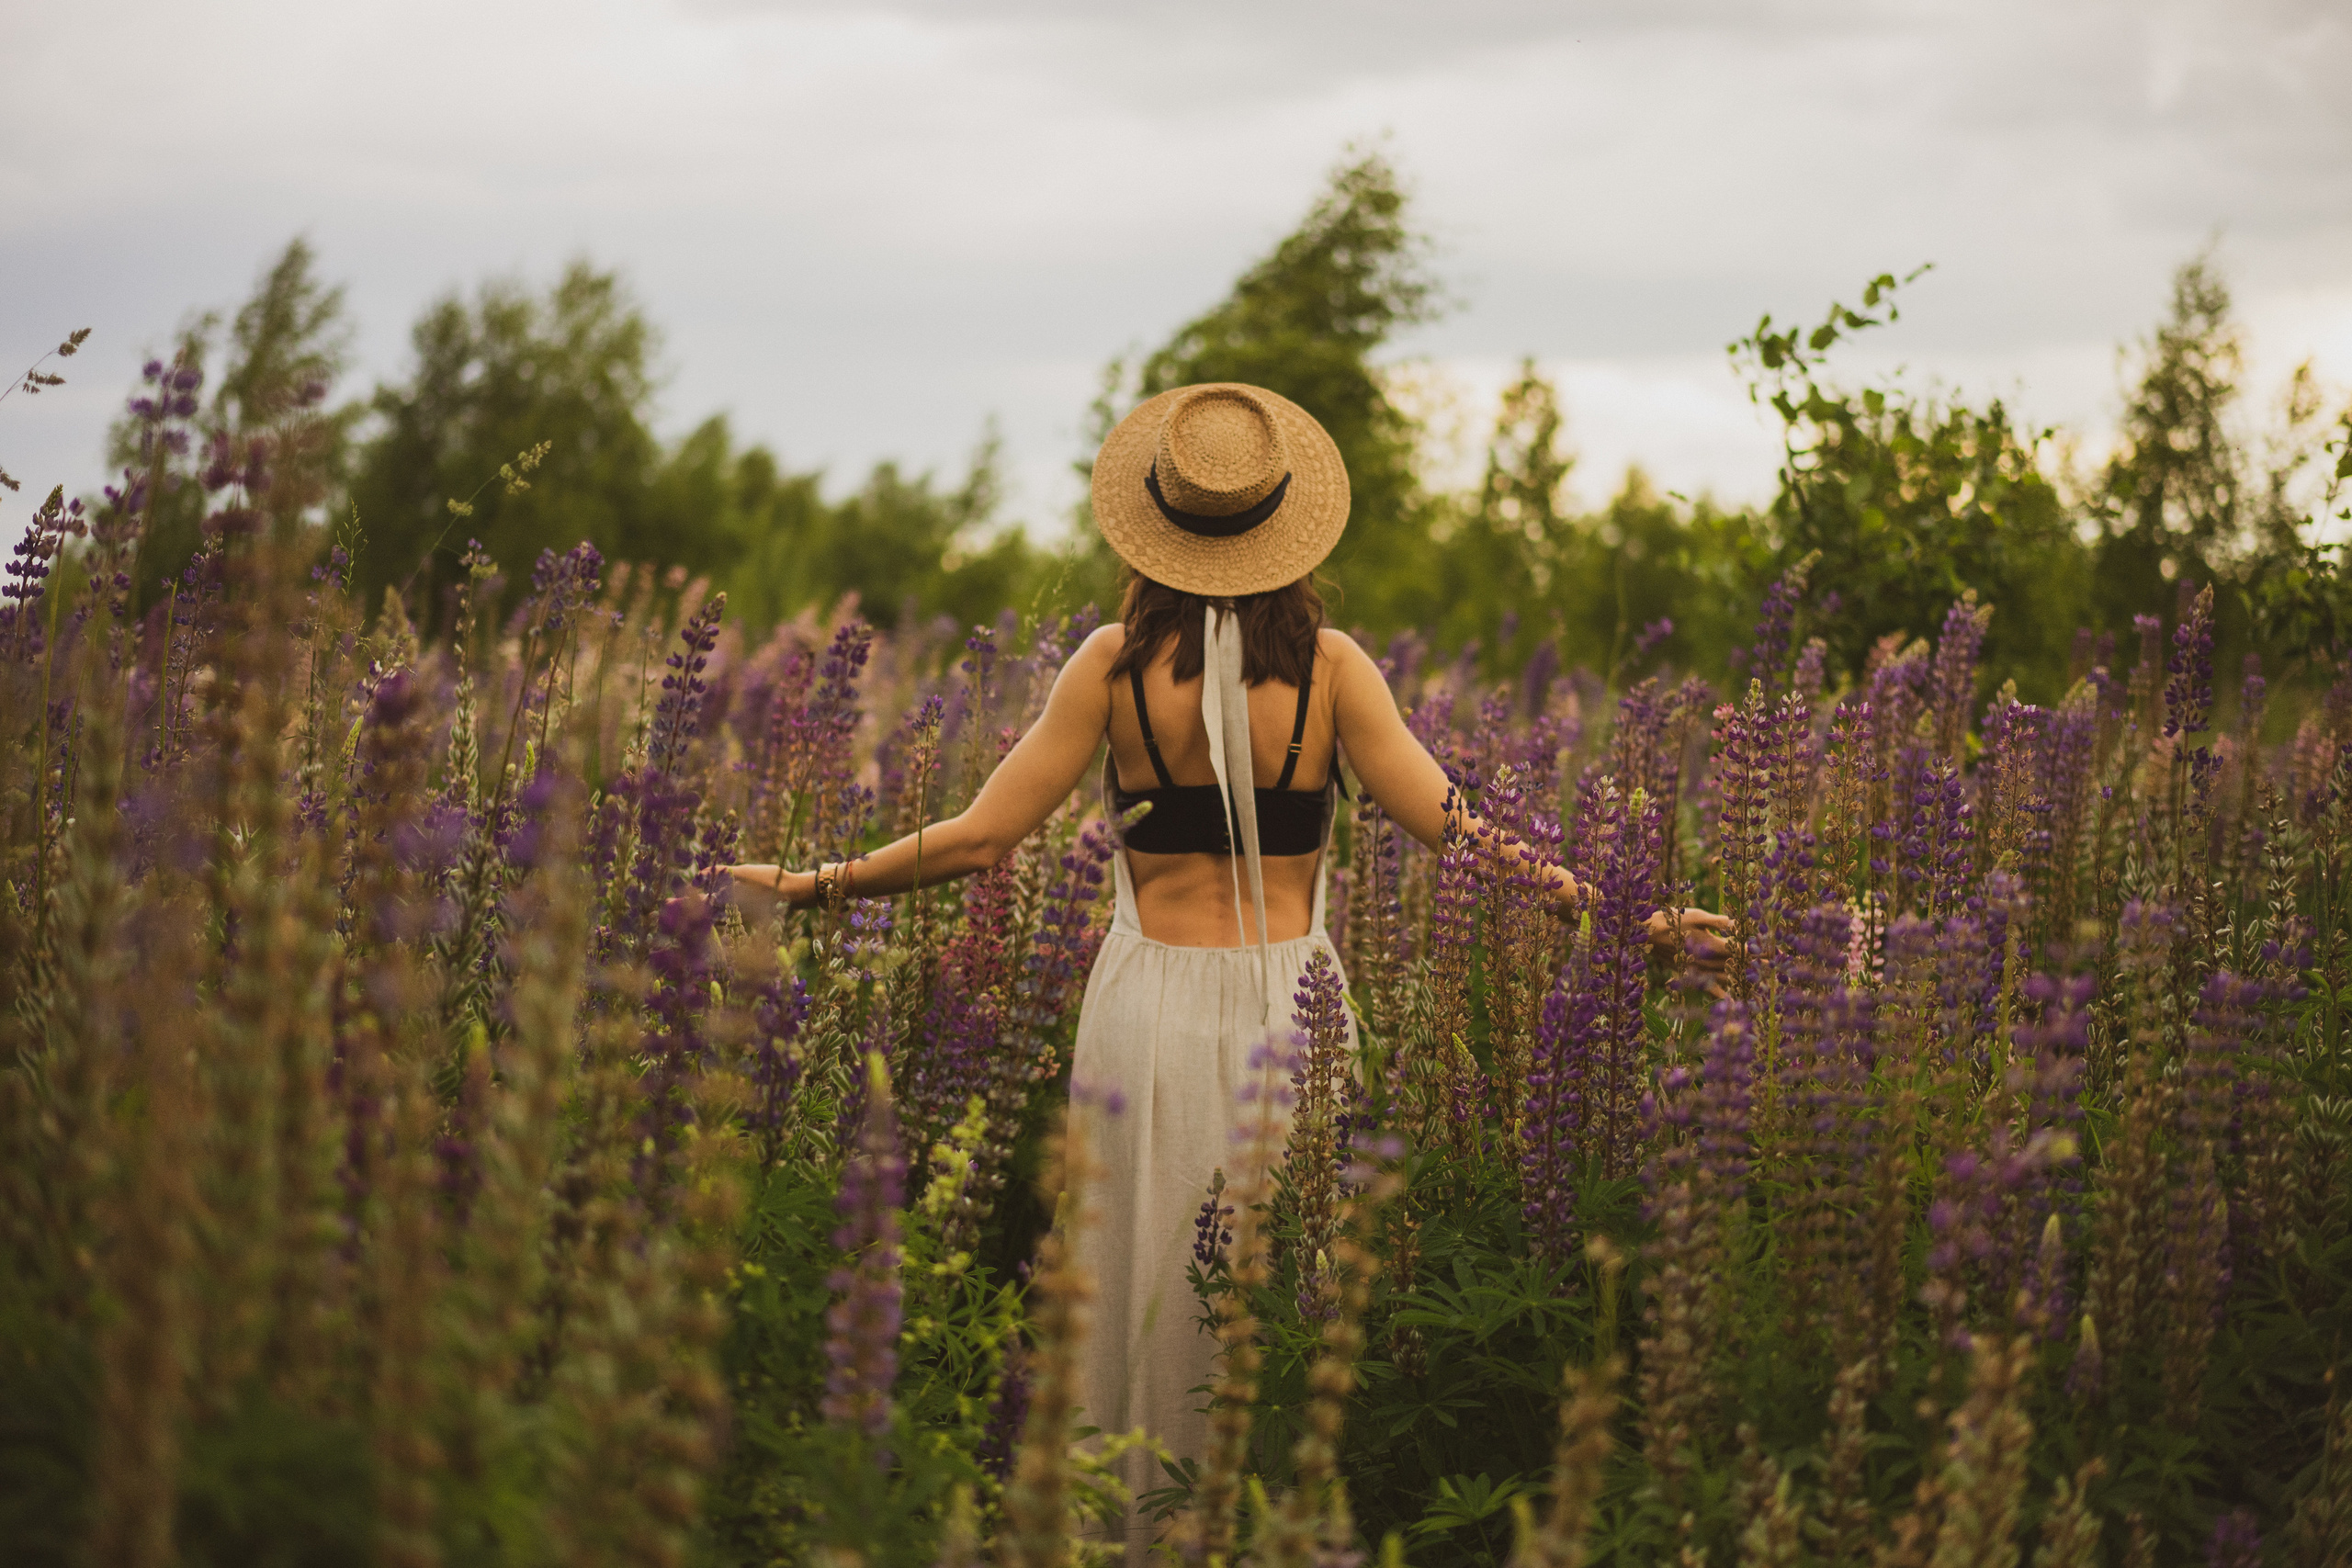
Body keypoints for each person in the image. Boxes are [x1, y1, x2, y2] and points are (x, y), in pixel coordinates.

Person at [728, 383, 1733, 1552]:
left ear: (1152, 527)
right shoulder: (1332, 667)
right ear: (1283, 528)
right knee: (1277, 1292)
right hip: (1288, 1009)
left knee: (1134, 1281)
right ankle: (1267, 1528)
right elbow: (1462, 829)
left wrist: (806, 887)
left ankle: (1117, 1528)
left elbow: (979, 839)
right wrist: (1626, 922)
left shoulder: (1108, 666)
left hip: (1144, 1009)